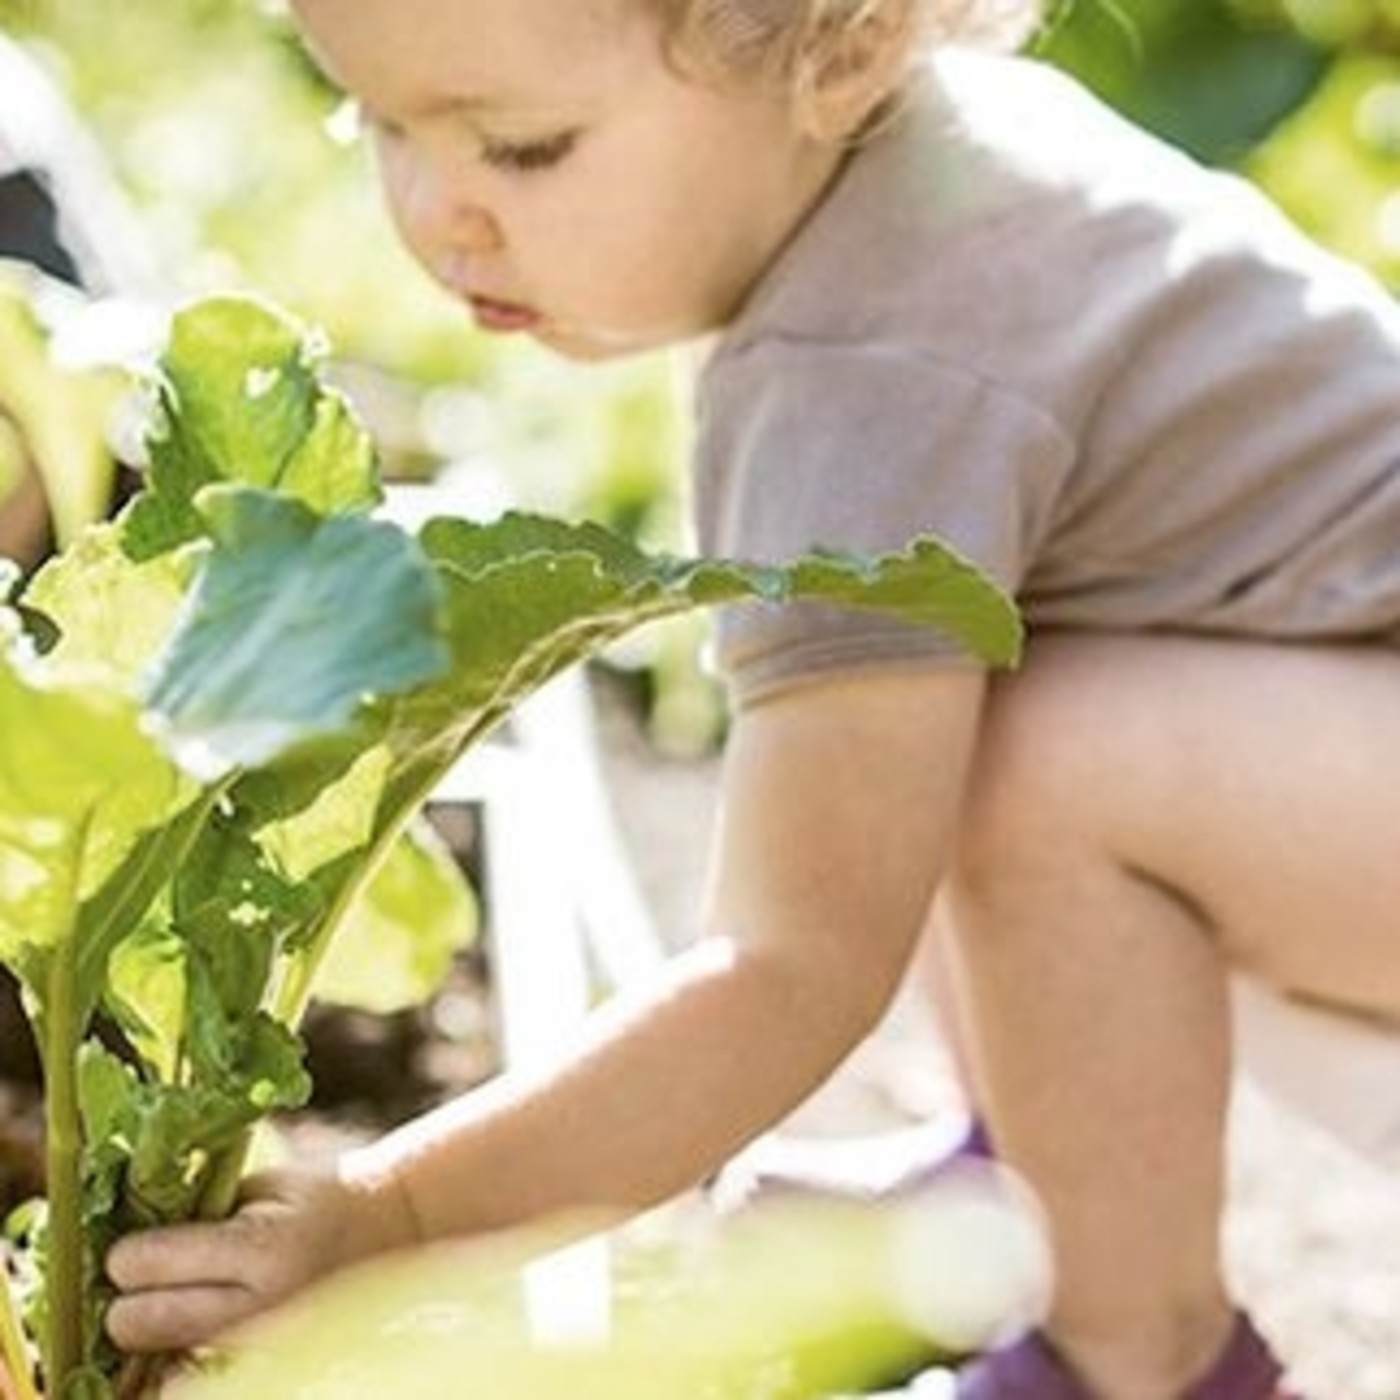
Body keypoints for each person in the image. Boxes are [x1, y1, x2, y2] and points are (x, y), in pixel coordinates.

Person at [101, 1, 1400, 1395]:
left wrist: (396, 1219)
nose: (435, 214)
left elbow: (791, 967)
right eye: (378, 122)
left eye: (522, 148)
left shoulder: (868, 378)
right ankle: (1028, 1182)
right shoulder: (925, 154)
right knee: (979, 688)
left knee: (1039, 767)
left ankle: (1134, 1355)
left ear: (834, 54)